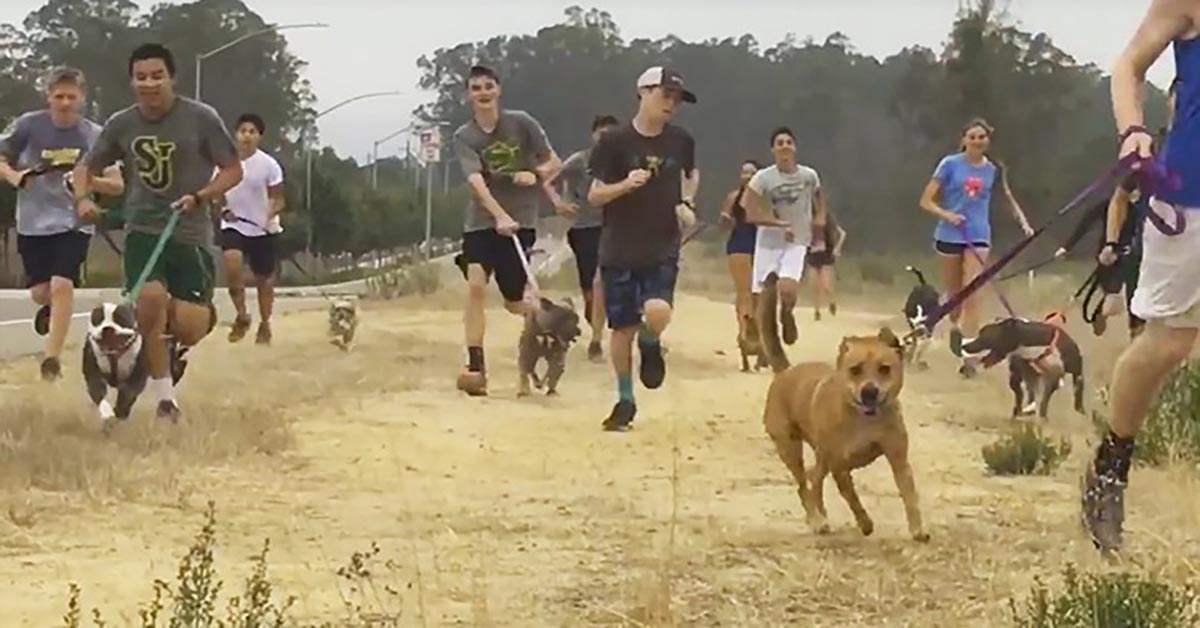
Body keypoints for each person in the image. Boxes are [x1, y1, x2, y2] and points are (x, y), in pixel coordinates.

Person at [1083, 0, 1200, 555]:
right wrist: (1133, 130)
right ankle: (1110, 468)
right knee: (1167, 343)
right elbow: (1129, 65)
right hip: (1190, 198)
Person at [73, 43, 243, 421]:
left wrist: (201, 196)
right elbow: (87, 167)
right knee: (149, 304)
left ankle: (174, 345)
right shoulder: (122, 123)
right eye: (141, 77)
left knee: (188, 325)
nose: (149, 84)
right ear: (132, 81)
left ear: (172, 78)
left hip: (191, 233)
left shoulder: (200, 118)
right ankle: (166, 401)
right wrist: (84, 199)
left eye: (157, 76)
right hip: (143, 230)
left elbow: (233, 170)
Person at [588, 66, 698, 431]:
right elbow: (593, 194)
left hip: (662, 244)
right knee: (621, 328)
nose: (672, 104)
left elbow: (691, 174)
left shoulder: (681, 141)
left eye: (677, 99)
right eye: (665, 95)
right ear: (643, 92)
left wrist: (687, 203)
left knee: (658, 310)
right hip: (619, 247)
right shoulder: (614, 142)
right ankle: (625, 398)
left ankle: (651, 343)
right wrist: (624, 185)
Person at [0, 67, 122, 381]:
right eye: (59, 96)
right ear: (49, 98)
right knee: (42, 293)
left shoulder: (94, 135)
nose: (65, 103)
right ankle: (52, 308)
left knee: (61, 285)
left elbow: (117, 184)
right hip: (32, 222)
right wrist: (16, 177)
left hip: (72, 221)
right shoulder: (28, 126)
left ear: (82, 98)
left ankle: (51, 359)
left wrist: (86, 180)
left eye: (71, 96)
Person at [452, 64, 562, 397]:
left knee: (515, 303)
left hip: (522, 221)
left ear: (498, 90)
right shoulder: (465, 137)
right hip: (482, 223)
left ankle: (552, 323)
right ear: (469, 95)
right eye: (476, 88)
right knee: (475, 285)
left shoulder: (522, 123)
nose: (483, 93)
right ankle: (476, 364)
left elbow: (553, 161)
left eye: (488, 86)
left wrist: (534, 173)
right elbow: (476, 183)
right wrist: (498, 215)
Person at [918, 118, 1034, 378]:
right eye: (972, 136)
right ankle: (954, 327)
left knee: (972, 294)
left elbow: (1007, 198)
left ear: (988, 140)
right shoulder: (949, 165)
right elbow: (925, 201)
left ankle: (970, 358)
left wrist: (1024, 223)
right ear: (963, 140)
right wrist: (947, 215)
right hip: (950, 233)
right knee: (954, 297)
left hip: (978, 235)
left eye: (982, 137)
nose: (977, 141)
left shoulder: (993, 169)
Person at [741, 126, 826, 371]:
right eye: (780, 143)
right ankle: (763, 340)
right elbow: (749, 211)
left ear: (795, 147)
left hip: (797, 240)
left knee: (787, 287)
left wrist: (819, 218)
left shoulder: (809, 175)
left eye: (789, 142)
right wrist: (776, 223)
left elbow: (820, 199)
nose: (785, 146)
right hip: (769, 241)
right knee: (760, 296)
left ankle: (787, 313)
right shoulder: (763, 179)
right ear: (773, 150)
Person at [553, 114, 620, 361]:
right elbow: (551, 180)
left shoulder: (622, 162)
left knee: (607, 281)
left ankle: (598, 339)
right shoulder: (579, 161)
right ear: (593, 135)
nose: (605, 139)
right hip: (584, 228)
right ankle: (597, 329)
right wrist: (561, 203)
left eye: (610, 135)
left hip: (614, 226)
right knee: (590, 289)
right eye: (601, 134)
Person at [217, 112, 285, 346]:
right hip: (234, 225)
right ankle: (241, 314)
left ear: (259, 137)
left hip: (263, 229)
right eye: (243, 131)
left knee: (264, 280)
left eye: (252, 132)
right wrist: (223, 209)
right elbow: (215, 193)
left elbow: (278, 199)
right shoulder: (224, 162)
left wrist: (269, 215)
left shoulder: (269, 165)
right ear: (235, 135)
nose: (247, 136)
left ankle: (265, 324)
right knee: (232, 263)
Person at [719, 159, 762, 365]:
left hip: (761, 246)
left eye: (751, 172)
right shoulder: (733, 197)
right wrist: (725, 219)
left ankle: (758, 338)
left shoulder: (765, 198)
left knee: (759, 296)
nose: (747, 176)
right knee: (744, 293)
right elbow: (725, 222)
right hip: (739, 245)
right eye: (744, 172)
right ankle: (744, 334)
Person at [805, 209, 846, 321]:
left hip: (825, 255)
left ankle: (832, 302)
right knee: (814, 285)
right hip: (813, 256)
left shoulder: (827, 219)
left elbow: (842, 233)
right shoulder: (807, 219)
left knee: (826, 285)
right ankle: (816, 311)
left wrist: (837, 248)